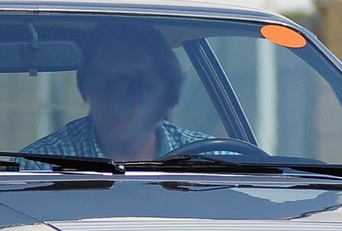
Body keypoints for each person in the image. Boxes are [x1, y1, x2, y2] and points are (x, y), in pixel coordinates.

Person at [22, 21, 210, 163]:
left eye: (136, 83)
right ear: (87, 88)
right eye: (105, 82)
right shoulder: (38, 168)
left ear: (166, 92)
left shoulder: (218, 161)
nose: (119, 97)